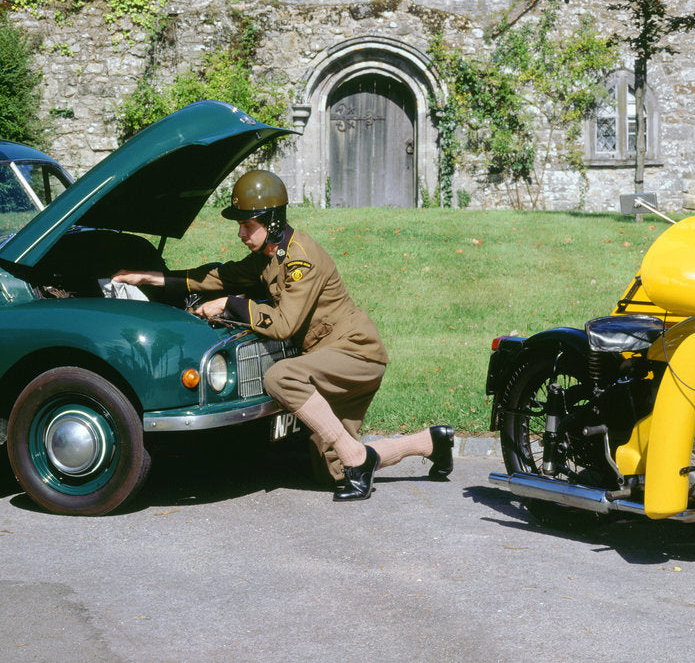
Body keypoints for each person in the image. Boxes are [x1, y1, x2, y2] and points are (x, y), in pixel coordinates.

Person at [113, 169, 454, 501]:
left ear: (272, 222)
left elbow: (283, 325)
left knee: (280, 378)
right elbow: (220, 276)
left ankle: (356, 460)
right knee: (330, 470)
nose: (241, 233)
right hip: (331, 358)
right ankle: (429, 443)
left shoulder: (300, 260)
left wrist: (231, 304)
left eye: (248, 225)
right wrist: (149, 278)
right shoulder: (268, 256)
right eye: (240, 225)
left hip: (356, 354)